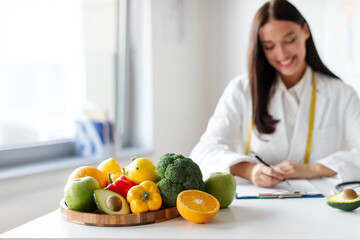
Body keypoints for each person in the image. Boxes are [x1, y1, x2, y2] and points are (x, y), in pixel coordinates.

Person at [190, 0, 360, 187]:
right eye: (269, 46)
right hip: (258, 206)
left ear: (305, 31)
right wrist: (250, 170)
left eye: (289, 40)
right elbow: (203, 153)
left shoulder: (342, 93)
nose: (282, 53)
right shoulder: (241, 89)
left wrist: (313, 169)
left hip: (321, 204)